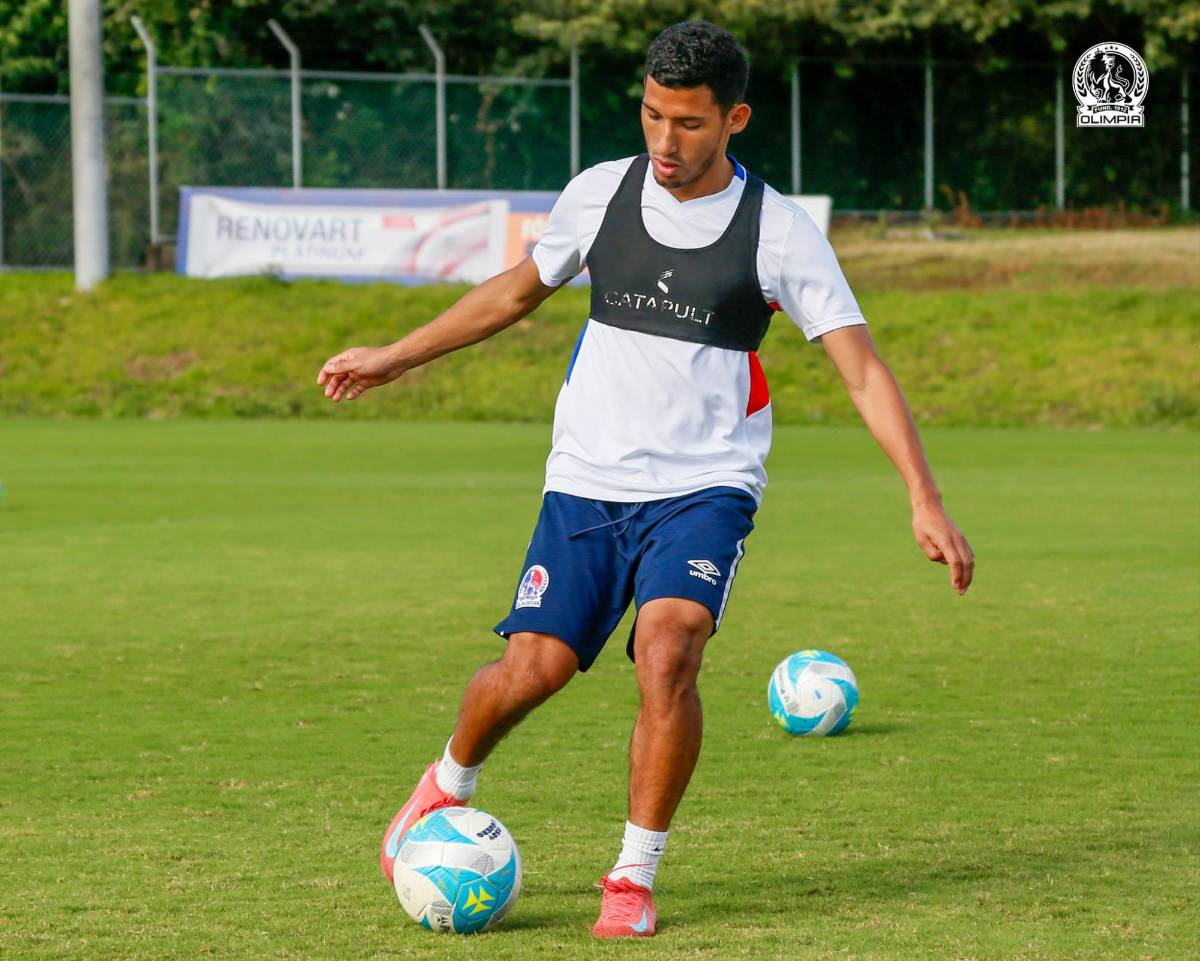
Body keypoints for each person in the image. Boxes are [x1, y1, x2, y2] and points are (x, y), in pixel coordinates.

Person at [317, 20, 974, 939]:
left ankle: (631, 874)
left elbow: (861, 368)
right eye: (654, 116)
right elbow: (511, 294)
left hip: (707, 485)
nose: (667, 142)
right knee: (531, 670)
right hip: (587, 478)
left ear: (734, 118)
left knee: (670, 648)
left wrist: (924, 495)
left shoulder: (779, 232)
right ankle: (448, 778)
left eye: (691, 124)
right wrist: (395, 357)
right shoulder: (599, 194)